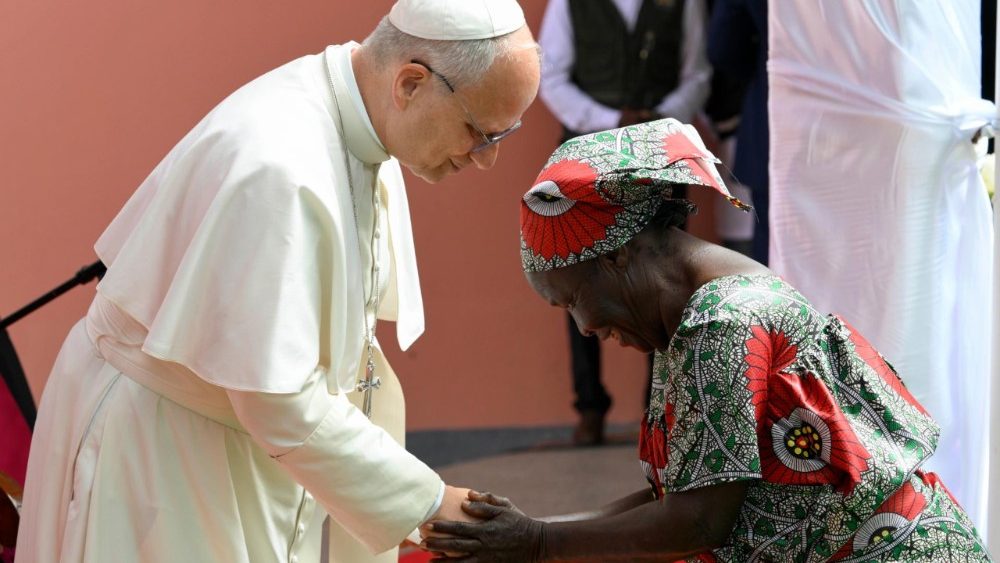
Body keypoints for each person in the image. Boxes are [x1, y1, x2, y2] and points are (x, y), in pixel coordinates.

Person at [15, 1, 540, 562]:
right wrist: (430, 504)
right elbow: (278, 400)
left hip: (232, 448)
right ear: (410, 83)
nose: (486, 160)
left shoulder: (361, 125)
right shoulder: (278, 165)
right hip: (158, 456)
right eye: (480, 133)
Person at [420, 119, 990, 562]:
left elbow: (697, 521)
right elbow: (684, 497)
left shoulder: (723, 323)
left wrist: (540, 543)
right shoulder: (698, 315)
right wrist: (532, 531)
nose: (585, 329)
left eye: (573, 301)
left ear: (618, 256)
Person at [537, 0, 712, 445]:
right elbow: (551, 76)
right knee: (579, 274)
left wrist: (657, 120)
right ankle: (590, 405)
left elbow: (696, 74)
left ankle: (660, 407)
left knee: (664, 276)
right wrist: (612, 121)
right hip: (586, 157)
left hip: (660, 156)